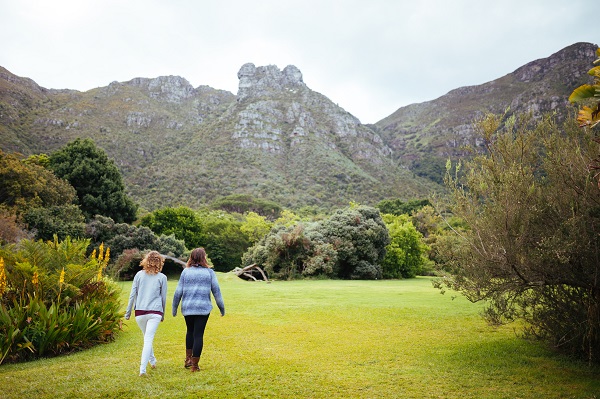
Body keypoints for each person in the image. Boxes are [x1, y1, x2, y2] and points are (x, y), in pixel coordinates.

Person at [172, 247, 225, 372]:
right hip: (203, 308)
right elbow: (217, 292)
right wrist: (222, 308)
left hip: (188, 308)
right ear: (203, 258)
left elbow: (178, 292)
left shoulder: (186, 272)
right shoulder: (209, 272)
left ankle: (188, 360)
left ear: (191, 257)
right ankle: (195, 366)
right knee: (198, 335)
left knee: (190, 332)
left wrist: (174, 309)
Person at [124, 251, 168, 377]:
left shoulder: (139, 275)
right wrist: (163, 314)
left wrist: (128, 313)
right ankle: (142, 369)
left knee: (147, 338)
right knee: (147, 338)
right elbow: (163, 298)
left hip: (140, 313)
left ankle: (152, 360)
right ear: (159, 262)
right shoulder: (162, 277)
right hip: (155, 312)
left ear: (146, 261)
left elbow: (132, 295)